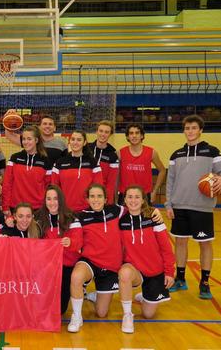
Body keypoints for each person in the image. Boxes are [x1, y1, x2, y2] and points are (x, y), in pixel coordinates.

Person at [67, 183, 163, 333]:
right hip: (90, 262)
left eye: (99, 196)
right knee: (76, 276)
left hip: (111, 267)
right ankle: (77, 316)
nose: (96, 199)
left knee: (101, 313)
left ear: (106, 199)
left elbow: (135, 207)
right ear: (87, 198)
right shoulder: (80, 216)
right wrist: (71, 243)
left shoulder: (116, 211)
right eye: (92, 196)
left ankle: (95, 295)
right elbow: (77, 241)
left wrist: (153, 210)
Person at [165, 115, 221, 299]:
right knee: (180, 242)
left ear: (200, 130)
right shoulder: (176, 155)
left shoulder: (212, 152)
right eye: (187, 128)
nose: (191, 131)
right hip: (179, 206)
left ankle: (205, 282)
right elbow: (170, 182)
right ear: (184, 131)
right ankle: (180, 279)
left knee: (205, 244)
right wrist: (168, 204)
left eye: (194, 128)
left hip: (202, 207)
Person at [118, 185, 175, 334]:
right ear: (124, 199)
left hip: (154, 271)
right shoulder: (121, 221)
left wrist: (169, 272)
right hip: (135, 270)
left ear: (143, 199)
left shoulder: (153, 217)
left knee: (148, 315)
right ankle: (127, 315)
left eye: (137, 197)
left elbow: (166, 248)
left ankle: (145, 296)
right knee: (124, 273)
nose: (133, 200)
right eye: (129, 197)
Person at [35, 185, 83, 314]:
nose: (52, 202)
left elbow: (78, 242)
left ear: (61, 200)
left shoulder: (71, 217)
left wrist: (71, 242)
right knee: (40, 305)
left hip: (66, 266)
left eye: (55, 199)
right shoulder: (38, 218)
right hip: (46, 267)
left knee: (59, 310)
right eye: (48, 199)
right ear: (44, 201)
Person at [2, 125, 52, 215]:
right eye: (24, 139)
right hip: (16, 207)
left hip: (38, 209)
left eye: (29, 139)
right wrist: (5, 206)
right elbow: (7, 183)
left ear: (36, 140)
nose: (25, 142)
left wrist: (47, 206)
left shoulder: (46, 161)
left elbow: (48, 186)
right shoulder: (14, 158)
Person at [52, 130, 103, 211]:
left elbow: (98, 187)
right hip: (66, 210)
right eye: (73, 139)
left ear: (85, 142)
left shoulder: (92, 162)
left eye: (79, 140)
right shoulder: (60, 162)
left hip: (87, 208)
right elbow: (54, 187)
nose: (75, 142)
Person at [118, 123, 166, 205]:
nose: (134, 136)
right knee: (124, 218)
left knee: (145, 218)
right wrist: (115, 193)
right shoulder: (120, 153)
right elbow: (115, 175)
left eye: (137, 133)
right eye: (131, 133)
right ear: (127, 137)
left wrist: (154, 191)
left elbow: (162, 171)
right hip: (125, 195)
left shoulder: (151, 152)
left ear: (142, 136)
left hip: (144, 196)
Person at [88, 120, 119, 204]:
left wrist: (108, 201)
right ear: (96, 132)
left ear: (110, 134)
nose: (103, 134)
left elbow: (111, 182)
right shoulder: (86, 149)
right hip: (84, 194)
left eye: (106, 132)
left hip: (101, 197)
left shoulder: (112, 155)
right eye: (101, 131)